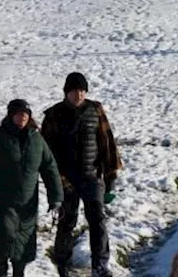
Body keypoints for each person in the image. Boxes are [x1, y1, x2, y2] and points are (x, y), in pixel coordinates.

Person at [0, 99, 63, 277]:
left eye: (26, 114)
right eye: (19, 114)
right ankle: (2, 268)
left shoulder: (36, 139)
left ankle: (19, 273)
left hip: (27, 203)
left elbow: (49, 167)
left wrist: (56, 197)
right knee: (4, 237)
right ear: (11, 115)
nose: (23, 117)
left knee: (23, 243)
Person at [41, 73, 122, 277]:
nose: (79, 94)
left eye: (82, 90)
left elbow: (107, 142)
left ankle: (100, 265)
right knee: (67, 220)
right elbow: (46, 152)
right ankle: (62, 262)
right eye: (75, 90)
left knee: (97, 219)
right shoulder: (53, 115)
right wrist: (55, 181)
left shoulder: (95, 111)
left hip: (92, 176)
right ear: (66, 92)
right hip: (65, 179)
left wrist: (111, 175)